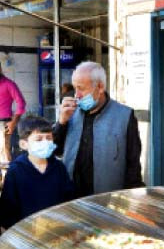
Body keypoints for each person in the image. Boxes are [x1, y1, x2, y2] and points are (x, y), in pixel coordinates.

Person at [54, 61, 145, 197]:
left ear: (100, 87)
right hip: (71, 198)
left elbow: (133, 164)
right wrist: (61, 123)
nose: (76, 95)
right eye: (74, 88)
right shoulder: (70, 113)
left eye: (81, 88)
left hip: (108, 198)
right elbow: (55, 150)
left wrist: (131, 197)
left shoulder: (124, 116)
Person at [0, 114, 74, 229]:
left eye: (48, 138)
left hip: (57, 231)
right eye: (39, 139)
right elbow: (7, 212)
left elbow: (69, 201)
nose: (45, 142)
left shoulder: (59, 168)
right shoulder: (16, 171)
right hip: (28, 234)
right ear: (24, 144)